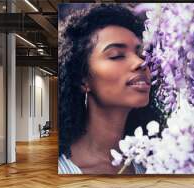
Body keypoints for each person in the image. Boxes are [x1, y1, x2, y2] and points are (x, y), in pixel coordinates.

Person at [58, 4, 164, 174]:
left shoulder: (155, 163)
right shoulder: (60, 169)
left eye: (141, 54)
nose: (140, 63)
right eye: (117, 55)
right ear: (82, 79)